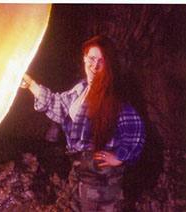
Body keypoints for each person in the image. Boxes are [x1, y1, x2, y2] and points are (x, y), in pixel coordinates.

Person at [20, 36, 146, 211]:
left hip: (99, 175)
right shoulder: (82, 88)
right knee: (76, 206)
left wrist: (119, 157)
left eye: (101, 61)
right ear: (84, 58)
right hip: (78, 167)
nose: (94, 66)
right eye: (92, 58)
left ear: (107, 65)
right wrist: (31, 85)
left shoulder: (112, 95)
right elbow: (60, 106)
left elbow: (136, 129)